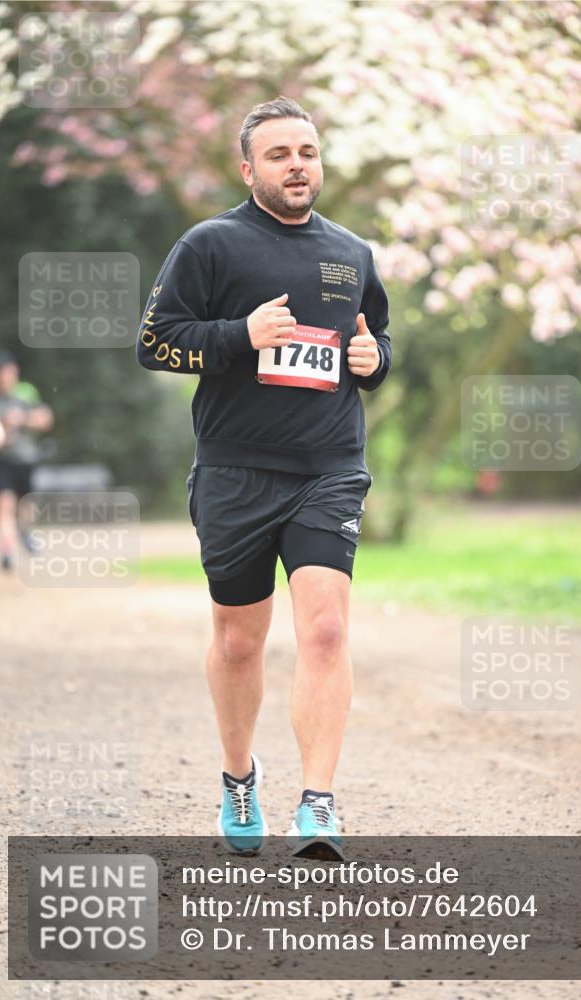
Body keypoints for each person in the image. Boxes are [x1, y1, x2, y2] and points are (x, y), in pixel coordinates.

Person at [136, 96, 392, 860]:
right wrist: (239, 335)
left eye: (306, 152)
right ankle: (238, 775)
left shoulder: (351, 253)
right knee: (239, 641)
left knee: (325, 628)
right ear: (248, 170)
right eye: (279, 155)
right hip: (235, 470)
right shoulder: (210, 245)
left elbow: (374, 340)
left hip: (328, 468)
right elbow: (155, 343)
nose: (296, 166)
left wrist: (375, 360)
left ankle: (317, 804)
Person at [0, 351, 54, 571]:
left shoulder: (26, 393)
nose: (4, 377)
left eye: (8, 372)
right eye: (0, 373)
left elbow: (45, 419)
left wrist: (22, 419)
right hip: (0, 460)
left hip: (26, 459)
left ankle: (24, 531)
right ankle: (7, 552)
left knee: (26, 508)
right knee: (4, 505)